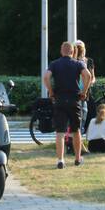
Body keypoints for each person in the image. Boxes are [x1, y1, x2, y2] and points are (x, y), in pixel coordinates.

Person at [43, 41, 92, 169]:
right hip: (74, 99)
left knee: (60, 132)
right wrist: (84, 91)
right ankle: (77, 158)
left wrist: (51, 91)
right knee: (76, 130)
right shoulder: (78, 63)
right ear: (72, 52)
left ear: (61, 51)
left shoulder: (54, 64)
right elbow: (88, 75)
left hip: (59, 99)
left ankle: (60, 160)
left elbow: (46, 77)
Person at [73, 39, 95, 151]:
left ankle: (79, 144)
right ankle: (79, 146)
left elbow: (92, 76)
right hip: (79, 93)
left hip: (84, 93)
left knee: (83, 118)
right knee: (79, 119)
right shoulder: (73, 62)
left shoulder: (88, 61)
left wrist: (88, 83)